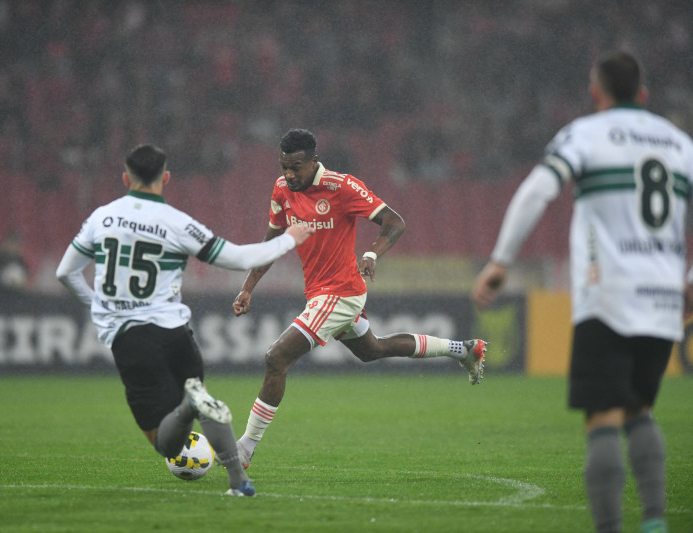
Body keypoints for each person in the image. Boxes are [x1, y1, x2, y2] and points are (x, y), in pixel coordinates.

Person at [471, 51, 693, 533]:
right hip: (662, 299)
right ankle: (656, 523)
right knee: (641, 410)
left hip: (608, 296)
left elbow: (537, 191)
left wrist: (501, 262)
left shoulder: (586, 134)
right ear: (645, 94)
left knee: (603, 418)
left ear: (596, 92)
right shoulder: (680, 143)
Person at [55, 144, 313, 497]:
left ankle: (189, 406)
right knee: (203, 401)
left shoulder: (102, 218)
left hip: (132, 338)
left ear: (126, 178)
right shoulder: (177, 222)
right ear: (165, 178)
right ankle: (239, 482)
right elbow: (237, 257)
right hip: (176, 333)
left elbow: (66, 273)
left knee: (165, 442)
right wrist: (288, 239)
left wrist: (102, 310)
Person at [232, 128, 487, 468]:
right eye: (284, 167)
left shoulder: (341, 187)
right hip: (320, 293)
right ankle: (464, 350)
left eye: (295, 167)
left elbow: (394, 222)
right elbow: (273, 243)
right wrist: (248, 286)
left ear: (313, 162)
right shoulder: (282, 190)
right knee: (373, 350)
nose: (289, 174)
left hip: (340, 292)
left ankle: (245, 447)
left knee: (276, 358)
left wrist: (371, 253)